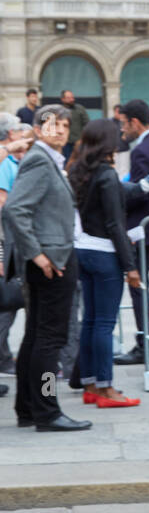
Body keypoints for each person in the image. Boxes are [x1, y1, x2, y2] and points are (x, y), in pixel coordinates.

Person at [2, 105, 90, 431]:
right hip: (53, 262)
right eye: (54, 125)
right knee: (50, 339)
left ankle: (28, 407)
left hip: (53, 258)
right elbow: (14, 209)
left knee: (37, 337)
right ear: (39, 130)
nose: (62, 131)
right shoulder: (40, 159)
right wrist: (37, 254)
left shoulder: (47, 159)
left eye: (66, 125)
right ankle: (48, 409)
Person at [68, 119, 147, 408]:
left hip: (84, 249)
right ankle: (106, 388)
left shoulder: (78, 171)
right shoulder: (106, 175)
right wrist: (131, 267)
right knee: (104, 323)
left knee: (90, 320)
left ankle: (91, 383)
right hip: (104, 253)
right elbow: (115, 224)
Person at [114, 99, 149, 366]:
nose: (123, 130)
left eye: (124, 124)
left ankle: (143, 342)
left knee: (138, 285)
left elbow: (140, 194)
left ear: (135, 122)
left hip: (145, 228)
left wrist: (119, 197)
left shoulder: (140, 151)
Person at [0, 119, 34, 375]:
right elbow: (4, 203)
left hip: (20, 242)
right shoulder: (6, 164)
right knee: (8, 304)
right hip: (10, 243)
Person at [59, 91, 89, 157]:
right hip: (65, 143)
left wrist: (83, 139)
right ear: (63, 99)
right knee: (65, 162)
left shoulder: (80, 109)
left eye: (72, 97)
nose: (72, 99)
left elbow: (87, 125)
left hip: (78, 142)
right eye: (68, 98)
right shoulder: (59, 111)